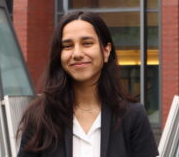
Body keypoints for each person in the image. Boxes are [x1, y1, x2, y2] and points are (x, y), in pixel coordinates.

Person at [17, 11, 159, 157]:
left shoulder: (132, 116)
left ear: (106, 51)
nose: (77, 53)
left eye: (87, 43)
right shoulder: (40, 117)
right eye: (67, 46)